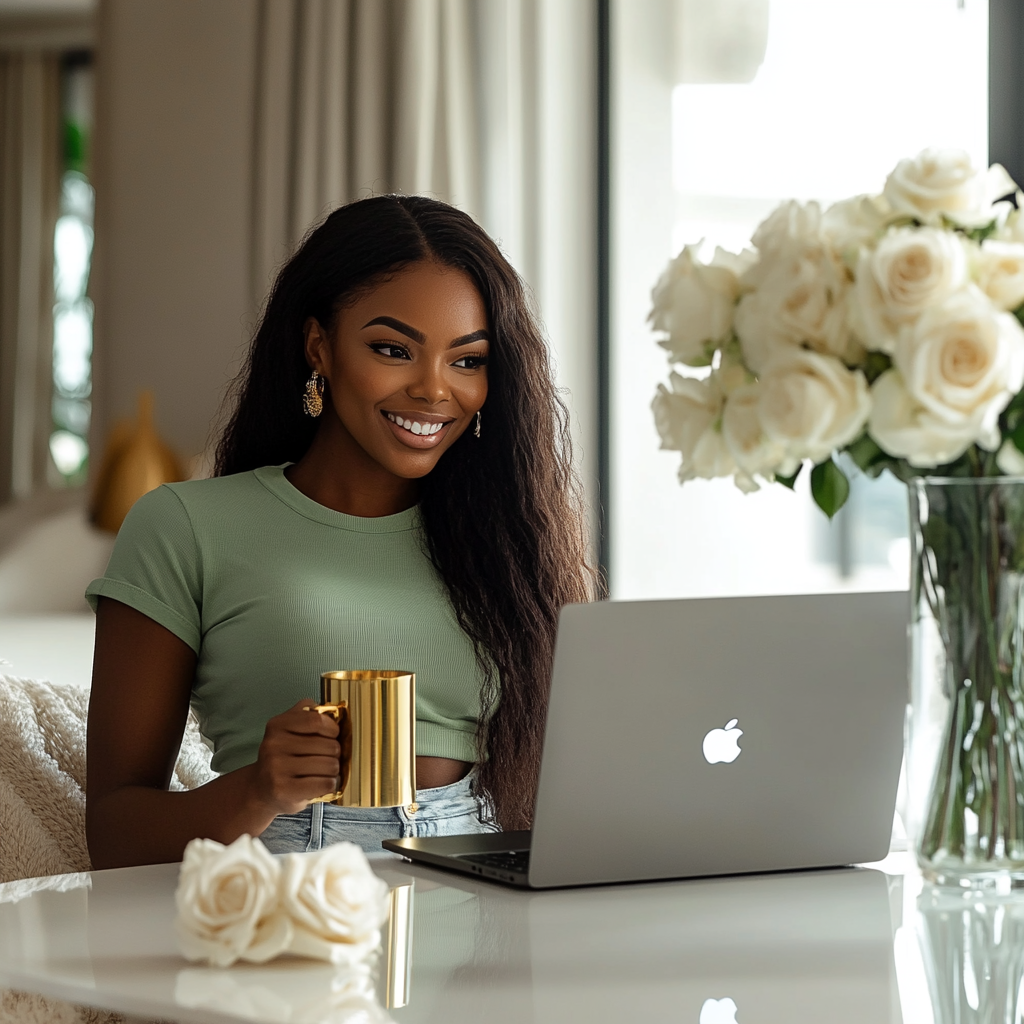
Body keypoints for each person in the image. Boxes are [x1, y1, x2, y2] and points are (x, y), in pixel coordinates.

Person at [85, 195, 597, 869]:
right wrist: (259, 790)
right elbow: (115, 834)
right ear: (319, 346)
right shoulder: (185, 526)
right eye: (393, 349)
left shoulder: (512, 543)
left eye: (466, 360)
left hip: (481, 887)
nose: (434, 390)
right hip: (284, 887)